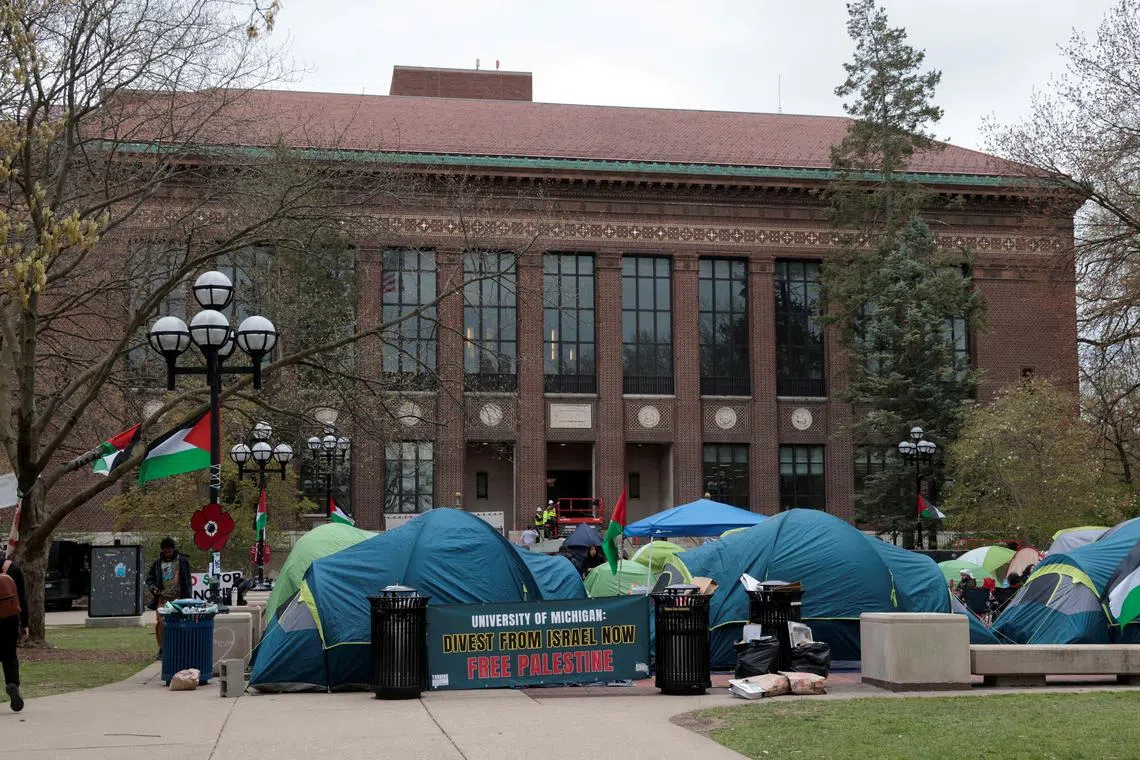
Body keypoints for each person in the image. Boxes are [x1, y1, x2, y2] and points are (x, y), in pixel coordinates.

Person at [146, 537, 192, 660]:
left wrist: (188, 599)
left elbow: (187, 581)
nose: (167, 554)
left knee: (180, 623)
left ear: (173, 549)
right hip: (163, 598)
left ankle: (180, 648)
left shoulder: (182, 561)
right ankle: (162, 649)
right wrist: (154, 588)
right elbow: (149, 579)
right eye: (165, 552)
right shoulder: (157, 563)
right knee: (161, 622)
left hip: (179, 598)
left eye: (169, 551)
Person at [0, 552, 28, 712]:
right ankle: (12, 684)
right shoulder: (12, 567)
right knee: (10, 655)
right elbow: (22, 598)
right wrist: (25, 623)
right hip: (9, 619)